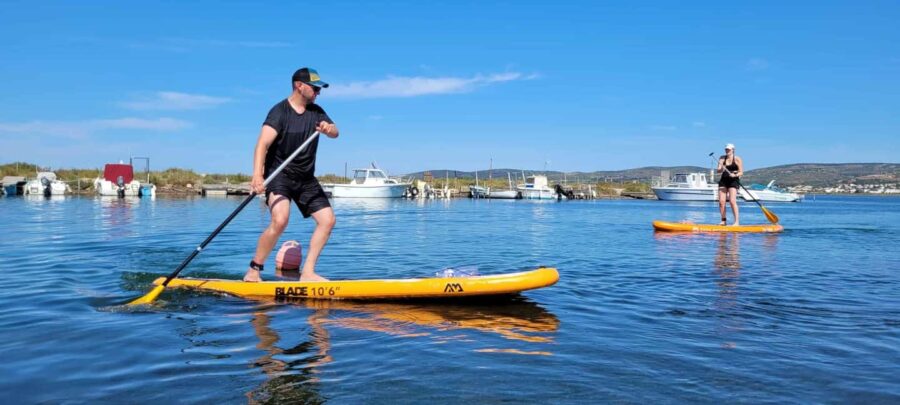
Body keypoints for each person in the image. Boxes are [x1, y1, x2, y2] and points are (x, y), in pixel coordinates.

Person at [244, 67, 339, 282]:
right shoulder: (279, 112)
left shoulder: (316, 111)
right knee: (280, 220)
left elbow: (335, 132)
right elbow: (262, 145)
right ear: (299, 85)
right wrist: (257, 176)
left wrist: (328, 128)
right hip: (279, 176)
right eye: (315, 88)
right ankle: (253, 271)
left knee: (328, 220)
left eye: (319, 89)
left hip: (306, 178)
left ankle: (307, 273)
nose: (318, 92)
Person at [717, 143, 743, 226]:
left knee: (732, 201)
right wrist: (721, 167)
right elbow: (718, 171)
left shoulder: (737, 159)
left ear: (733, 150)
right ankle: (723, 220)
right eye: (726, 149)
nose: (727, 151)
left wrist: (734, 175)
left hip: (733, 181)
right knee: (721, 202)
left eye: (728, 149)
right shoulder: (721, 158)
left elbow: (741, 172)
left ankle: (736, 222)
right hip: (723, 180)